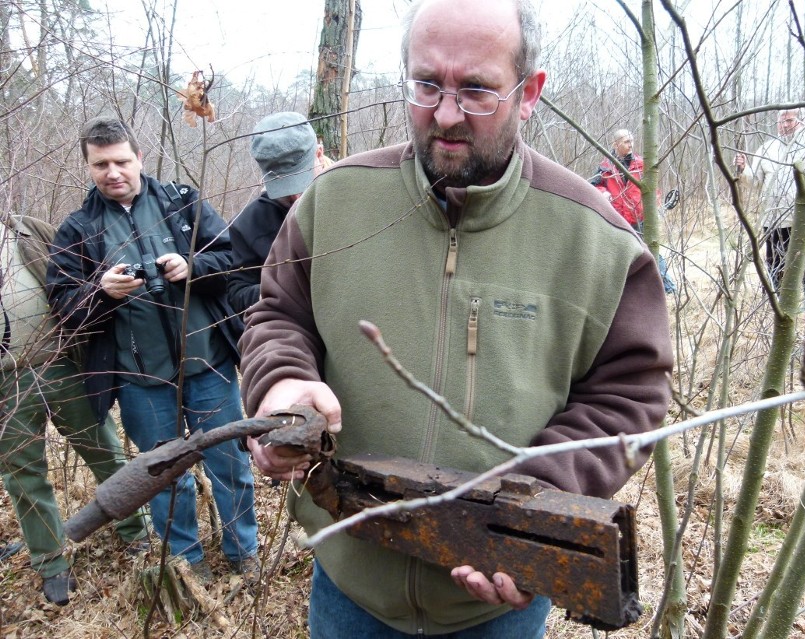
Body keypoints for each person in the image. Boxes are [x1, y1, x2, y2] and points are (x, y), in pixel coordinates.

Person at [239, 0, 673, 636]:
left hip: (496, 604)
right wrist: (280, 382)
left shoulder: (596, 241)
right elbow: (277, 313)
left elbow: (631, 393)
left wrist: (525, 507)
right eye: (426, 84)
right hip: (349, 585)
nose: (444, 114)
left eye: (475, 89)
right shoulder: (335, 203)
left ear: (529, 92)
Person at [46, 118, 259, 584]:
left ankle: (245, 553)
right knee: (161, 475)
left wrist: (193, 266)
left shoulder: (182, 203)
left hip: (208, 365)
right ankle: (186, 564)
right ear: (88, 166)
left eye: (121, 160)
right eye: (100, 164)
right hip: (140, 379)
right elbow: (62, 304)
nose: (112, 171)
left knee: (230, 462)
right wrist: (101, 292)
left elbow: (234, 260)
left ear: (140, 158)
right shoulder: (79, 230)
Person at [1, 213, 149, 605]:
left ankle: (136, 532)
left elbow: (76, 279)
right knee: (23, 475)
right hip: (5, 384)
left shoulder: (27, 230)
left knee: (105, 452)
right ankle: (51, 563)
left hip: (60, 364)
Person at [228, 112, 319, 317]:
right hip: (289, 330)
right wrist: (275, 291)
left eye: (302, 184)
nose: (296, 198)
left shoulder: (352, 194)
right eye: (285, 190)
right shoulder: (249, 224)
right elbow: (237, 291)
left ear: (319, 154)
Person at [735, 109, 805, 306]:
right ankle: (778, 302)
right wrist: (742, 169)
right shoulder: (768, 148)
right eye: (780, 121)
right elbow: (754, 181)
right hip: (773, 219)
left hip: (804, 218)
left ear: (800, 120)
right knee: (774, 261)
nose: (784, 125)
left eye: (789, 120)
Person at [591, 129, 677, 294]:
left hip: (640, 218)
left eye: (631, 141)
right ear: (616, 144)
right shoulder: (605, 167)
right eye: (626, 142)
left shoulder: (641, 164)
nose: (630, 145)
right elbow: (594, 186)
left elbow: (653, 190)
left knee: (652, 252)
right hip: (617, 219)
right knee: (618, 255)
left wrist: (656, 208)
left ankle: (668, 288)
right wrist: (604, 192)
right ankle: (620, 291)